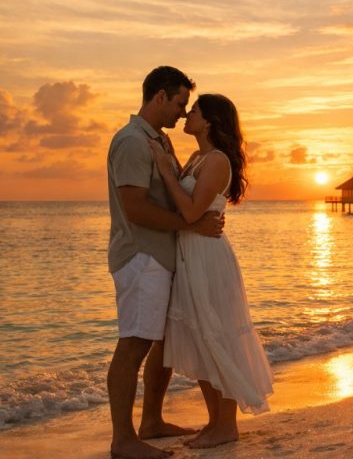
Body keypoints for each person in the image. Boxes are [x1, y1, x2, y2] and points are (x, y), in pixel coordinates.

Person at [106, 66, 224, 459]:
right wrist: (194, 225)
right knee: (134, 343)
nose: (181, 112)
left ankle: (151, 421)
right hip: (141, 255)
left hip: (163, 255)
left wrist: (195, 224)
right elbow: (135, 208)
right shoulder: (131, 142)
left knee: (159, 341)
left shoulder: (158, 142)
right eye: (179, 103)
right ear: (159, 96)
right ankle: (123, 440)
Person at [147, 93, 274, 449]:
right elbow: (186, 210)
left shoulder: (216, 161)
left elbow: (189, 213)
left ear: (211, 121)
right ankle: (215, 420)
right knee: (201, 337)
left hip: (207, 256)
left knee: (217, 333)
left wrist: (163, 168)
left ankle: (226, 425)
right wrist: (171, 163)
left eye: (196, 109)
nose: (188, 113)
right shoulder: (195, 158)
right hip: (190, 252)